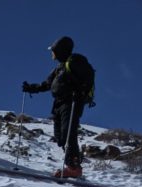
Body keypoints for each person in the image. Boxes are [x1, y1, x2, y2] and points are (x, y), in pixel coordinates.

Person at [23, 36, 94, 178]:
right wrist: (31, 88)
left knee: (68, 133)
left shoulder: (75, 61)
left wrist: (80, 92)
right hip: (58, 104)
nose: (52, 54)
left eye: (54, 50)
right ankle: (73, 164)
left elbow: (88, 77)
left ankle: (73, 168)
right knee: (60, 137)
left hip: (72, 102)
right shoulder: (59, 69)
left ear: (61, 50)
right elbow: (47, 84)